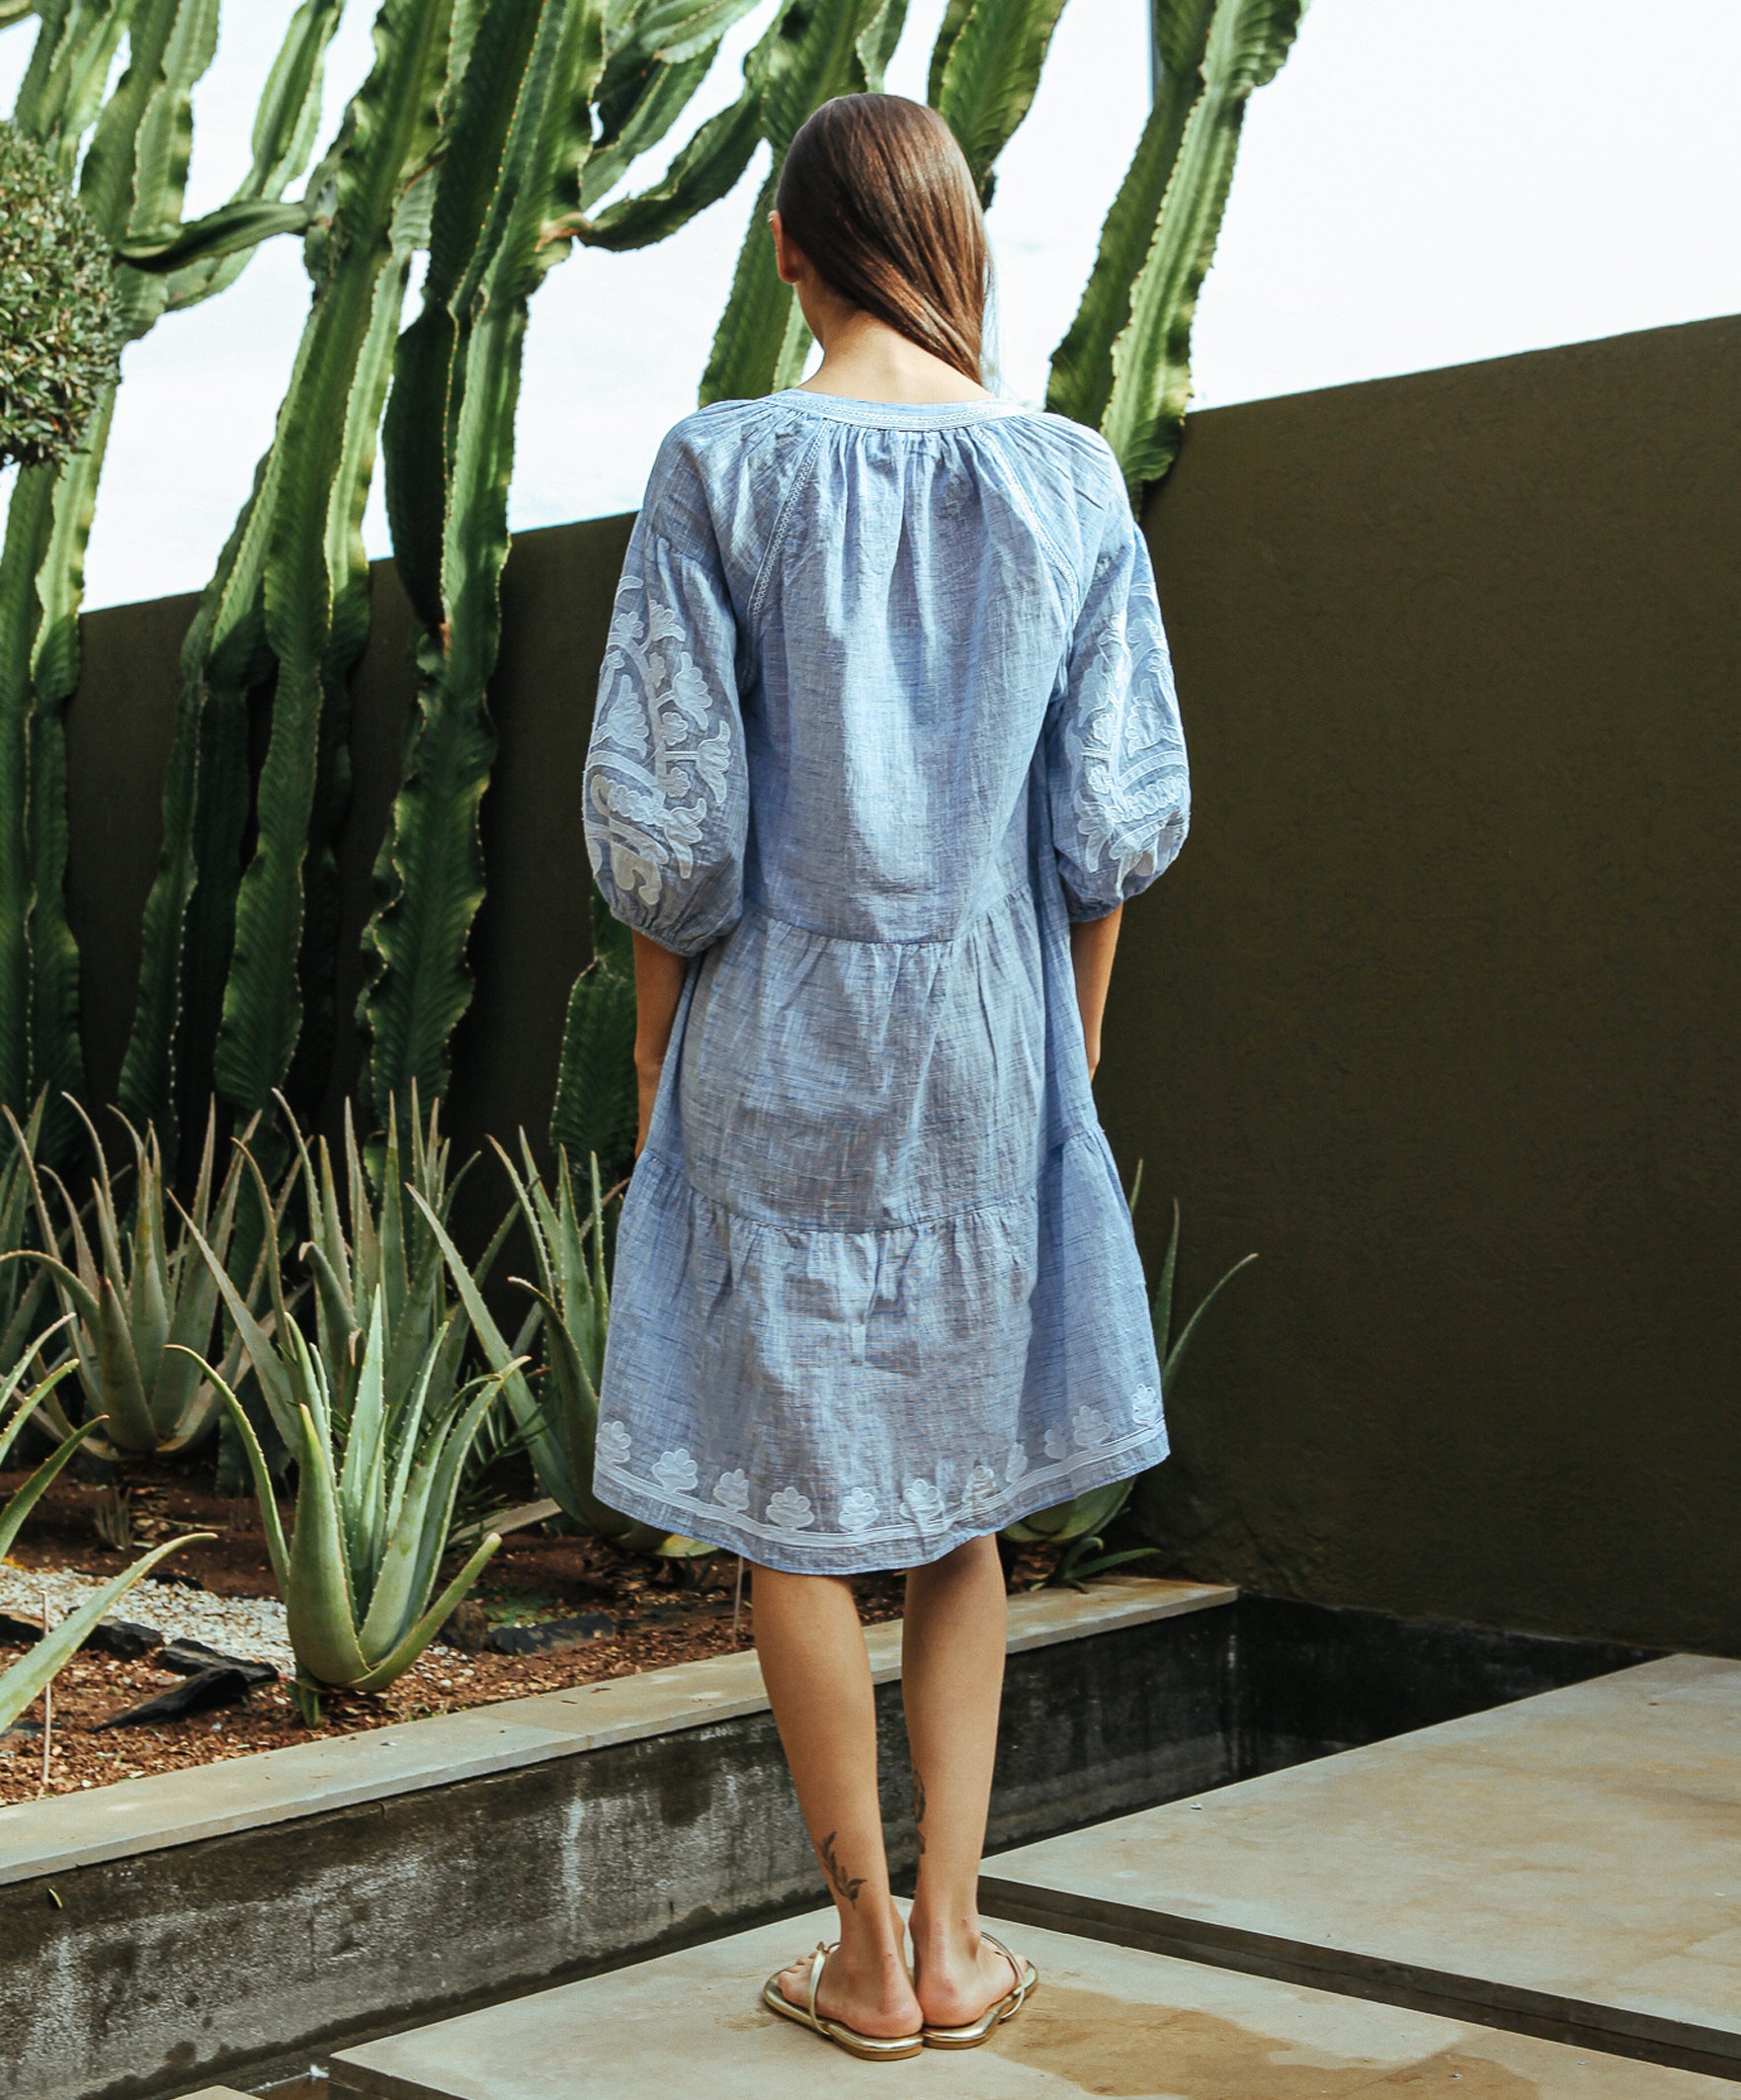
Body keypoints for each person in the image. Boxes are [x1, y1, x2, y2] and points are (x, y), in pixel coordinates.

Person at [581, 92, 1190, 2061]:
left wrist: (665, 1063)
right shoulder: (1067, 475)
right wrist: (1064, 1053)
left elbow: (670, 836)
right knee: (959, 1505)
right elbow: (1109, 827)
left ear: (786, 252)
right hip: (986, 1043)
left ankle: (852, 1954)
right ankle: (952, 1941)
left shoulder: (716, 466)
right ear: (949, 245)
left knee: (787, 1505)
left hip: (775, 1037)